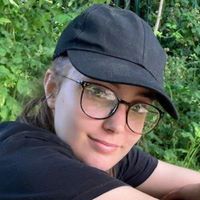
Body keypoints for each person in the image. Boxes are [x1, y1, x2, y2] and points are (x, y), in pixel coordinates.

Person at [0, 4, 199, 200]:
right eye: (99, 93)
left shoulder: (105, 150)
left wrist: (187, 192)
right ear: (53, 89)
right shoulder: (24, 160)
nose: (117, 126)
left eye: (139, 107)